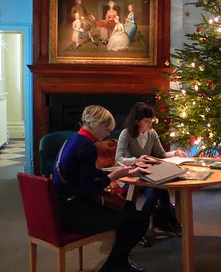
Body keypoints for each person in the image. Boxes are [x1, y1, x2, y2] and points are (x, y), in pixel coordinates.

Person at [53, 105, 151, 272]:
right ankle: (113, 265)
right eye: (106, 129)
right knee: (140, 219)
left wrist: (122, 172)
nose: (107, 134)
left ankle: (120, 262)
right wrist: (112, 177)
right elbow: (89, 188)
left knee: (128, 208)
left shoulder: (73, 140)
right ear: (95, 124)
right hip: (77, 215)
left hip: (62, 208)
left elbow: (87, 172)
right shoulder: (88, 147)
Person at [116, 102, 187, 246]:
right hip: (131, 175)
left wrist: (176, 152)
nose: (149, 124)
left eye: (150, 121)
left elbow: (160, 154)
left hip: (148, 175)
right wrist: (137, 160)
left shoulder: (152, 133)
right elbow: (119, 158)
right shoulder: (126, 133)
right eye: (146, 121)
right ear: (137, 121)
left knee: (159, 190)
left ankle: (141, 228)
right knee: (158, 192)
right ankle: (170, 222)